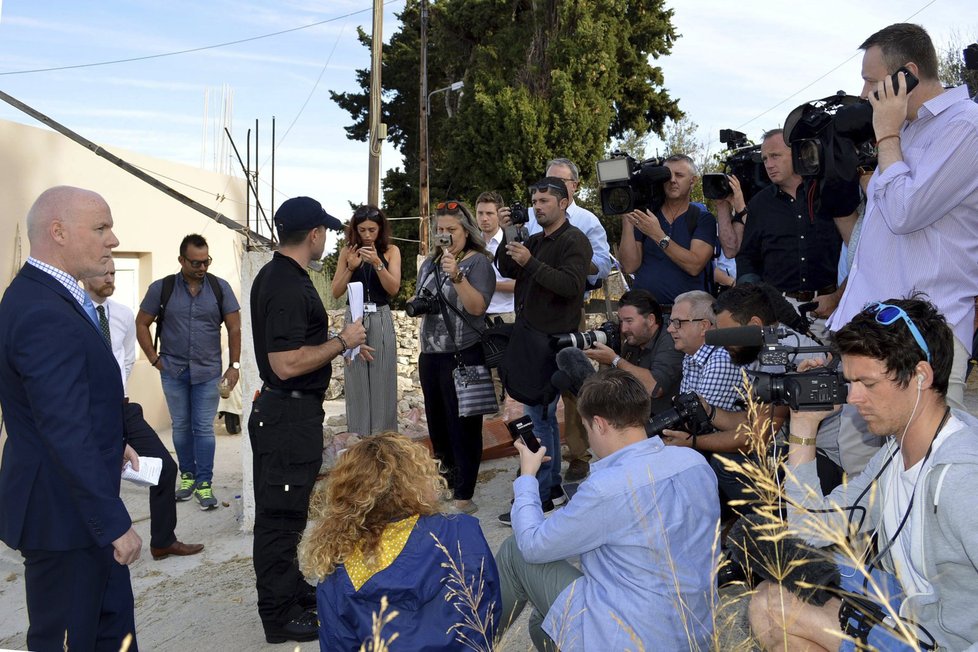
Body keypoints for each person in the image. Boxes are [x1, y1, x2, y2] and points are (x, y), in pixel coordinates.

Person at [750, 297, 978, 651]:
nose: (853, 398)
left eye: (867, 384)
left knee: (773, 606)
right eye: (849, 381)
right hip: (910, 608)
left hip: (947, 639)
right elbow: (808, 529)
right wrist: (804, 424)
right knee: (772, 592)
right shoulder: (894, 452)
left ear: (920, 376)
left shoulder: (964, 478)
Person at [0, 186, 140, 651]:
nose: (114, 240)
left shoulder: (52, 298)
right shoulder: (42, 310)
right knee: (69, 639)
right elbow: (61, 428)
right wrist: (113, 521)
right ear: (57, 232)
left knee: (109, 634)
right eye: (101, 228)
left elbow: (67, 406)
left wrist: (109, 442)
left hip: (75, 513)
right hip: (64, 520)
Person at [496, 369, 719, 651]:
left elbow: (533, 545)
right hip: (693, 632)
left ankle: (466, 640)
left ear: (599, 424)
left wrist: (527, 477)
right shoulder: (694, 462)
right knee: (542, 620)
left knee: (515, 550)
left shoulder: (606, 488)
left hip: (633, 638)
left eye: (587, 430)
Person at [827, 23, 978, 411]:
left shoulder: (966, 125)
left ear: (907, 75)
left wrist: (886, 137)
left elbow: (903, 212)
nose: (863, 94)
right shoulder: (903, 133)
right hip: (875, 334)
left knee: (923, 468)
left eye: (869, 81)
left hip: (922, 339)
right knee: (862, 465)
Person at [249, 196, 369, 644]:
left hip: (292, 413)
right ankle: (278, 616)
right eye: (325, 232)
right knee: (279, 519)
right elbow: (285, 363)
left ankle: (291, 591)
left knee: (289, 513)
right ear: (314, 234)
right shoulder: (284, 284)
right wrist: (342, 341)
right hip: (285, 414)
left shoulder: (286, 276)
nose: (327, 239)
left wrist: (343, 344)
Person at [299, 432, 501, 651]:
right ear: (417, 479)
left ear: (347, 496)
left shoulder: (337, 572)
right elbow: (489, 609)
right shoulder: (461, 530)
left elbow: (337, 645)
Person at [83, 261, 204, 561]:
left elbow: (123, 358)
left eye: (113, 273)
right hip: (89, 413)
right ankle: (97, 547)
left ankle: (163, 541)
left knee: (165, 467)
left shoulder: (122, 314)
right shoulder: (74, 313)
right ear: (84, 275)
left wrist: (117, 390)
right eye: (103, 273)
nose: (110, 279)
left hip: (122, 408)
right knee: (97, 478)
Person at [496, 178, 592, 523]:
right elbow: (506, 267)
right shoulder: (533, 239)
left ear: (564, 203)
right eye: (534, 200)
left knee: (541, 416)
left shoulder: (574, 240)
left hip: (552, 340)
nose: (537, 207)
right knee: (542, 416)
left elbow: (570, 286)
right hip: (528, 337)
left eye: (545, 201)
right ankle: (548, 489)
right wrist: (509, 234)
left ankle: (541, 495)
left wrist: (530, 262)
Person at [135, 233, 242, 510]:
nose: (202, 268)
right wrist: (154, 359)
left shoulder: (220, 288)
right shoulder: (163, 288)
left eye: (205, 261)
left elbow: (234, 328)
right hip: (173, 370)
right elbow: (141, 323)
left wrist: (234, 366)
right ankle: (188, 476)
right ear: (181, 260)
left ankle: (204, 483)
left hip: (208, 372)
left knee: (203, 428)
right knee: (181, 426)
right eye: (195, 263)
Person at [527, 158, 612, 482]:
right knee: (538, 387)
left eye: (560, 182)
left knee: (572, 385)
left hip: (566, 310)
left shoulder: (587, 221)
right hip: (534, 313)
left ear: (574, 187)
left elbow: (604, 264)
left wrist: (572, 264)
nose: (552, 187)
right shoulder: (536, 217)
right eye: (547, 181)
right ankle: (543, 462)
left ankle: (580, 454)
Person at [412, 200, 496, 515]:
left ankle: (465, 493)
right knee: (438, 426)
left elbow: (477, 308)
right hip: (431, 356)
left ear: (466, 230)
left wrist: (458, 277)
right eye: (440, 230)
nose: (445, 235)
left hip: (463, 354)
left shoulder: (478, 263)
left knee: (465, 426)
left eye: (452, 229)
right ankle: (447, 481)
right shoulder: (429, 264)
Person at [735, 129, 852, 331]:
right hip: (778, 314)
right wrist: (752, 301)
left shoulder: (827, 192)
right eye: (764, 159)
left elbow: (858, 251)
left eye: (775, 156)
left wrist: (837, 297)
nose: (769, 165)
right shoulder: (759, 204)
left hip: (832, 309)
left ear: (799, 154)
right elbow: (747, 257)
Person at [330, 204, 402, 435]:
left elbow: (393, 289)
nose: (368, 235)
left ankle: (385, 439)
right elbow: (336, 291)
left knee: (383, 379)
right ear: (355, 230)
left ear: (381, 229)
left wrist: (377, 264)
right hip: (355, 317)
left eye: (373, 229)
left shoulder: (391, 251)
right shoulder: (347, 252)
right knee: (357, 381)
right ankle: (360, 438)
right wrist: (351, 267)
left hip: (380, 315)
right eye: (362, 230)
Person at [619, 154, 718, 306]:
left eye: (679, 175)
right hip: (646, 312)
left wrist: (657, 235)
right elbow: (629, 266)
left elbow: (694, 265)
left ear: (693, 181)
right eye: (667, 175)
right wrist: (626, 220)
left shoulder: (702, 218)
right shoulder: (647, 215)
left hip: (687, 318)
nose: (672, 180)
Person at [583, 288, 684, 415]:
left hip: (663, 422)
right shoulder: (634, 340)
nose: (624, 328)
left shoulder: (670, 339)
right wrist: (605, 359)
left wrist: (615, 359)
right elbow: (611, 386)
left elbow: (655, 388)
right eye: (621, 321)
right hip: (634, 415)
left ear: (651, 320)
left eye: (629, 321)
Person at [665, 290, 744, 411]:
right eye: (670, 322)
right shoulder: (691, 355)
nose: (670, 329)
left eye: (677, 322)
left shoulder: (721, 360)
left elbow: (700, 420)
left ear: (704, 326)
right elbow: (684, 412)